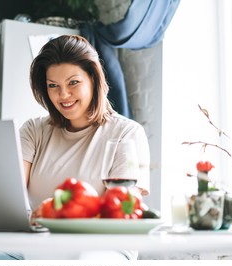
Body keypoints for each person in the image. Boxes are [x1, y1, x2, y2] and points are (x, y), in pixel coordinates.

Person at [20, 34, 150, 213]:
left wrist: (51, 215)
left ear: (93, 80)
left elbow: (121, 209)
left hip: (93, 240)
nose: (63, 94)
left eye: (73, 82)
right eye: (53, 85)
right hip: (34, 239)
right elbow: (9, 196)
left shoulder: (127, 133)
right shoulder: (33, 131)